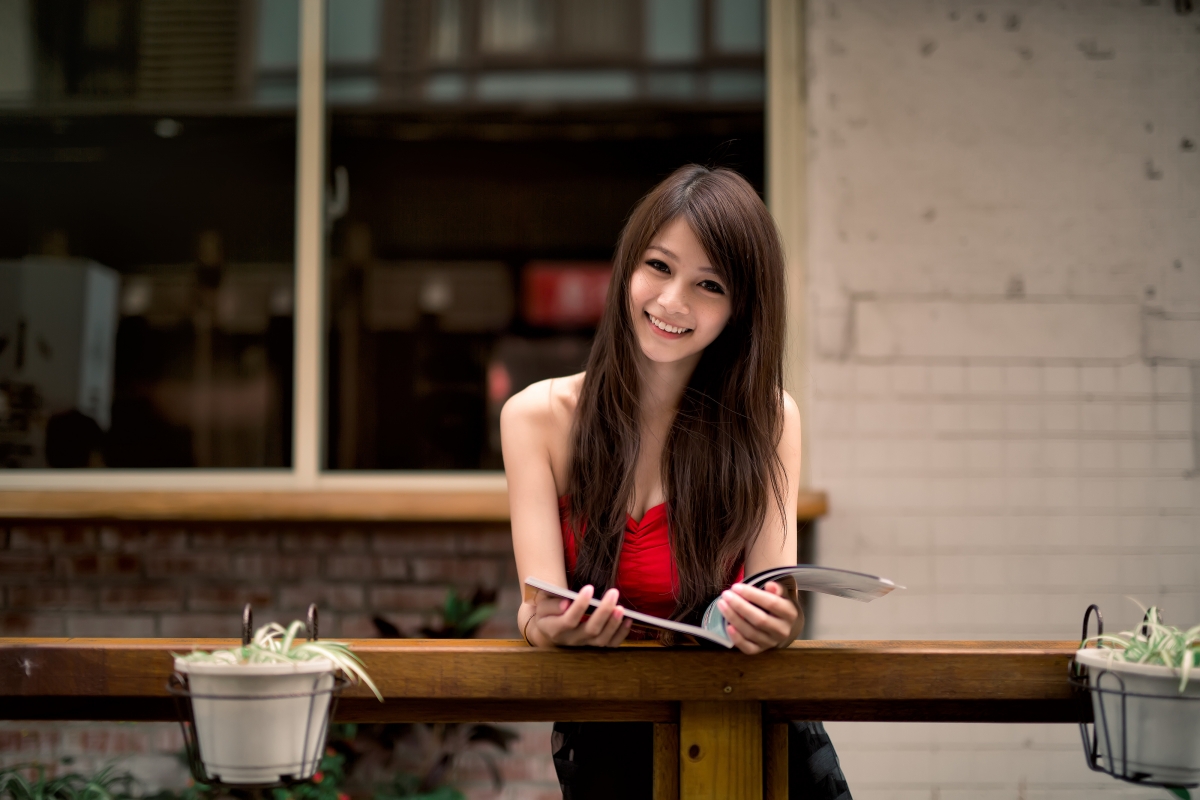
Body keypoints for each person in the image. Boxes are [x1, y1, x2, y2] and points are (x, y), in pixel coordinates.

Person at [501, 165, 852, 799]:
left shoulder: (770, 419)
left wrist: (779, 625)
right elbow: (536, 608)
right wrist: (552, 628)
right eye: (659, 267)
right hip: (614, 743)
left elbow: (779, 599)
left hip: (753, 738)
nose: (671, 302)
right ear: (627, 268)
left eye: (708, 284)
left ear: (740, 310)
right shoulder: (535, 418)